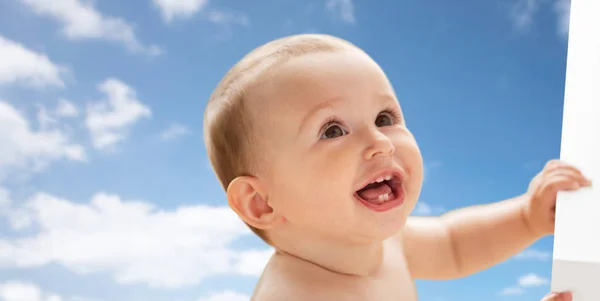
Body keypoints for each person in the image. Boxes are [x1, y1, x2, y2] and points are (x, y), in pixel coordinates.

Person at [203, 34, 591, 301]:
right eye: (333, 130)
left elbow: (453, 245)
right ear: (260, 203)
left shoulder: (386, 244)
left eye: (385, 117)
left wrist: (527, 217)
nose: (381, 142)